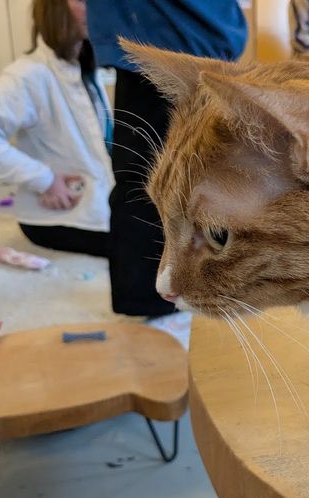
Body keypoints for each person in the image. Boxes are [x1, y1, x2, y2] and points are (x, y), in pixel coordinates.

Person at [86, 1, 247, 317]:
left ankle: (151, 300)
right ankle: (150, 300)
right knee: (153, 182)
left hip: (169, 30)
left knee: (151, 180)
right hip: (179, 35)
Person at [0, 0, 113, 257]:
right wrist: (46, 180)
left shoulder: (83, 67)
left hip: (92, 205)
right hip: (56, 218)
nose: (96, 7)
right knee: (145, 250)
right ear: (54, 8)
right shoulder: (29, 74)